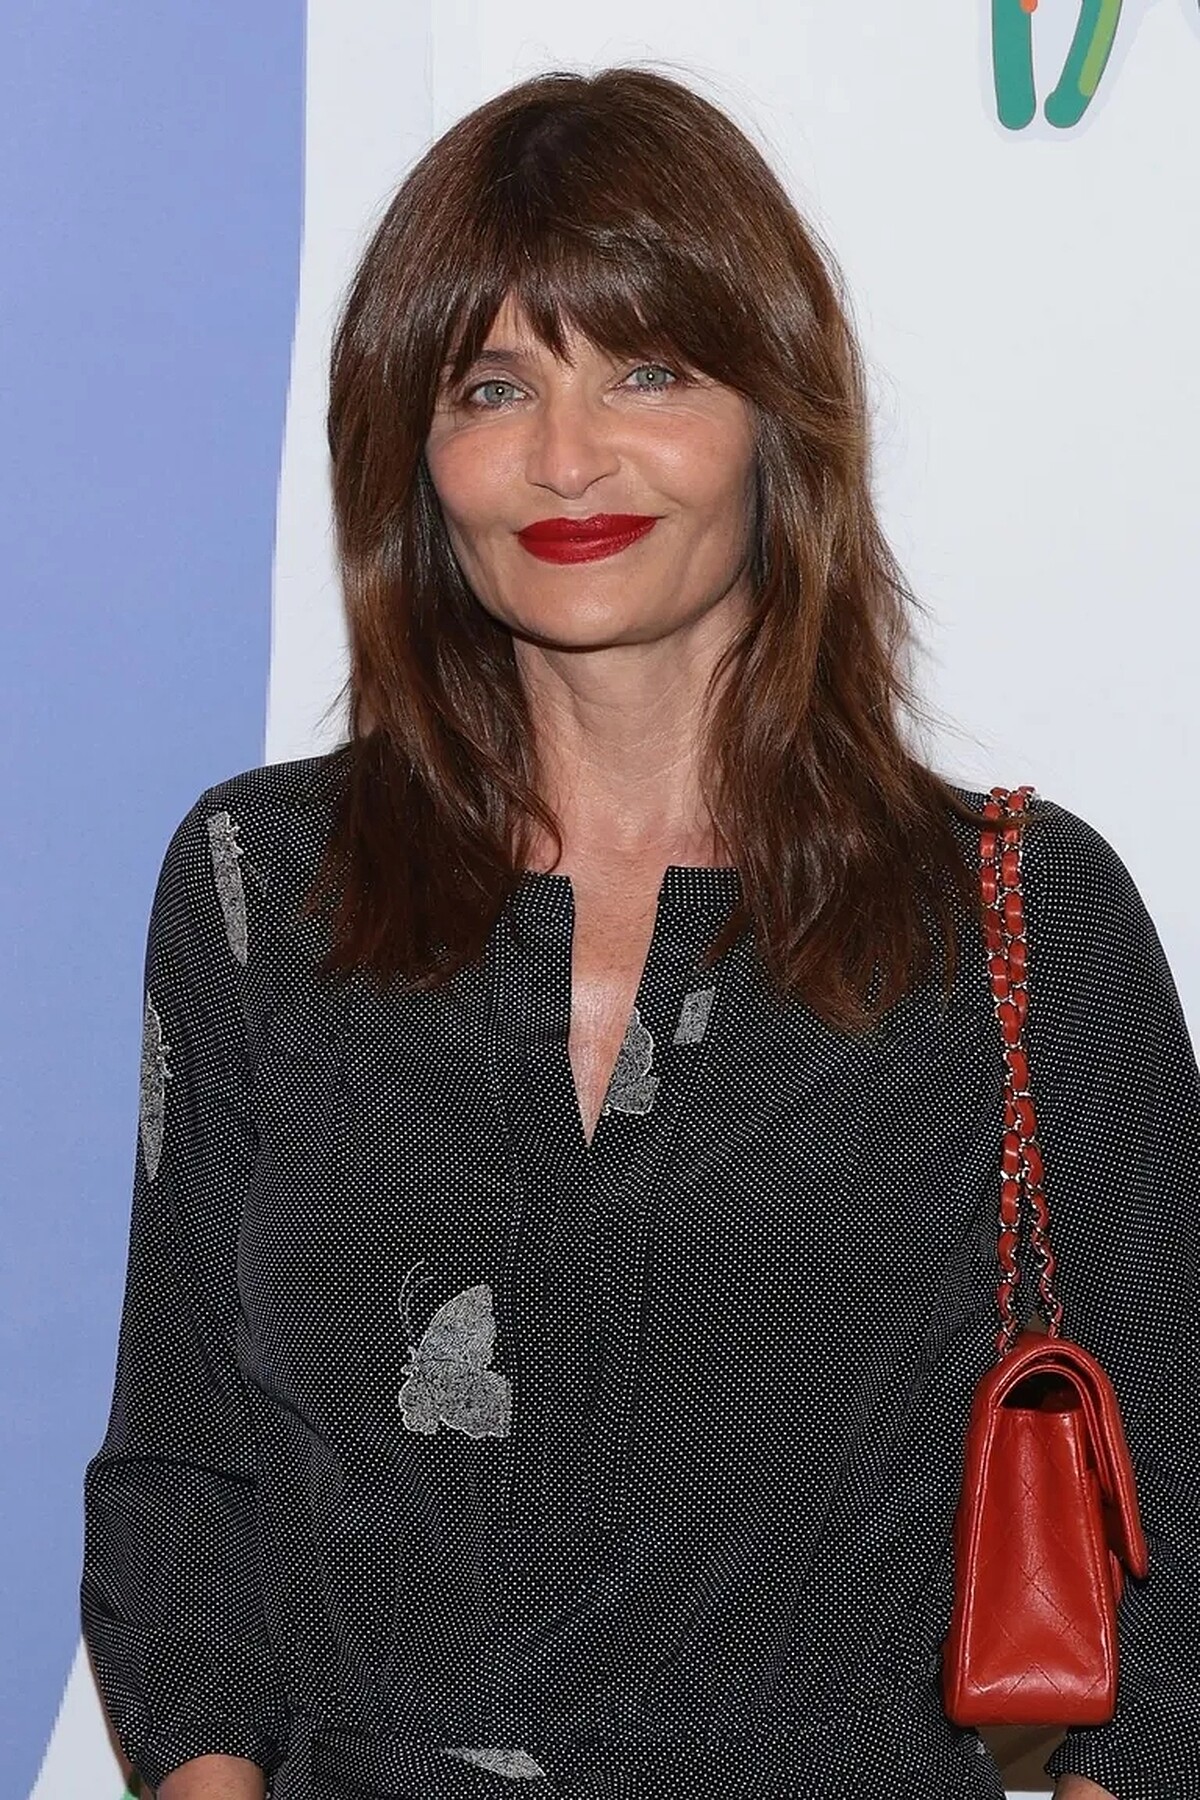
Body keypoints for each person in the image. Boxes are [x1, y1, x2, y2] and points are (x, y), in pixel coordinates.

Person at [81, 65, 1199, 1800]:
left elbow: (1175, 1532)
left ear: (777, 415)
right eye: (492, 386)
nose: (566, 457)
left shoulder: (1020, 913)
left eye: (650, 370)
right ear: (413, 456)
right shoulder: (261, 884)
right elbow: (181, 1483)